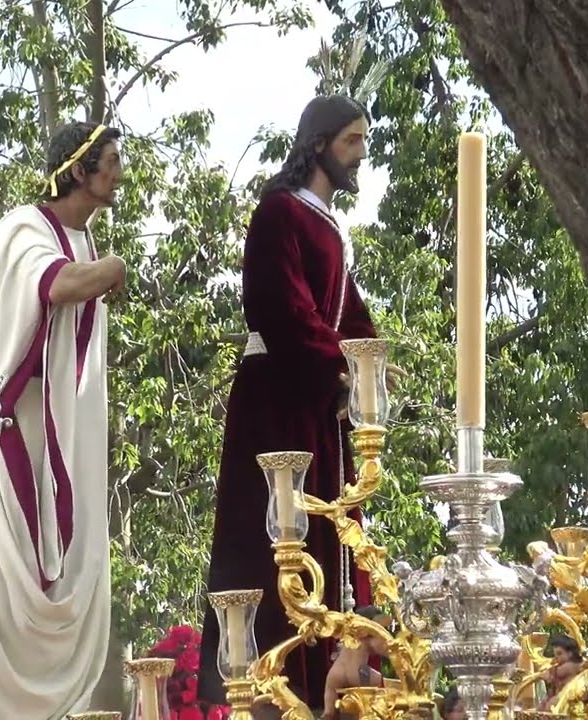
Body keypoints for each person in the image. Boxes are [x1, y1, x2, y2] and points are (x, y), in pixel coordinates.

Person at [198, 94, 379, 713]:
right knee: (271, 541)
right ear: (319, 143)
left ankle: (323, 675)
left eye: (363, 141)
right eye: (352, 141)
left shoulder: (327, 224)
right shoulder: (279, 212)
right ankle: (272, 685)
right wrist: (339, 370)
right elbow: (281, 307)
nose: (361, 153)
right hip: (277, 404)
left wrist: (370, 368)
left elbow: (349, 315)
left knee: (326, 536)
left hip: (316, 406)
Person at [0, 121, 126, 719]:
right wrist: (114, 268)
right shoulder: (23, 228)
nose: (119, 174)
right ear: (79, 170)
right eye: (110, 162)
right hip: (9, 427)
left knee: (68, 565)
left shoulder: (85, 240)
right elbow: (59, 286)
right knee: (4, 575)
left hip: (63, 431)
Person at [322, 610, 389, 720]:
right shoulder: (373, 677)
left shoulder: (349, 642)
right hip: (360, 673)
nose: (386, 640)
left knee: (330, 712)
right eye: (382, 635)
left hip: (336, 671)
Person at [539, 634, 584, 709]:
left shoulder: (572, 665)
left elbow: (557, 672)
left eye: (559, 654)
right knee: (543, 704)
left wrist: (547, 673)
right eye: (555, 655)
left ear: (570, 653)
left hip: (568, 698)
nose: (556, 657)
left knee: (550, 704)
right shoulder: (560, 665)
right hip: (559, 694)